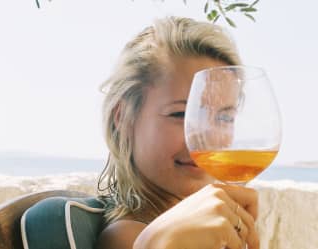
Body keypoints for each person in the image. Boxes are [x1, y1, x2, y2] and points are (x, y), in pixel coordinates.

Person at [96, 16, 259, 249]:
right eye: (181, 114)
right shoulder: (134, 237)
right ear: (122, 118)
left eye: (224, 117)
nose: (207, 139)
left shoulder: (209, 227)